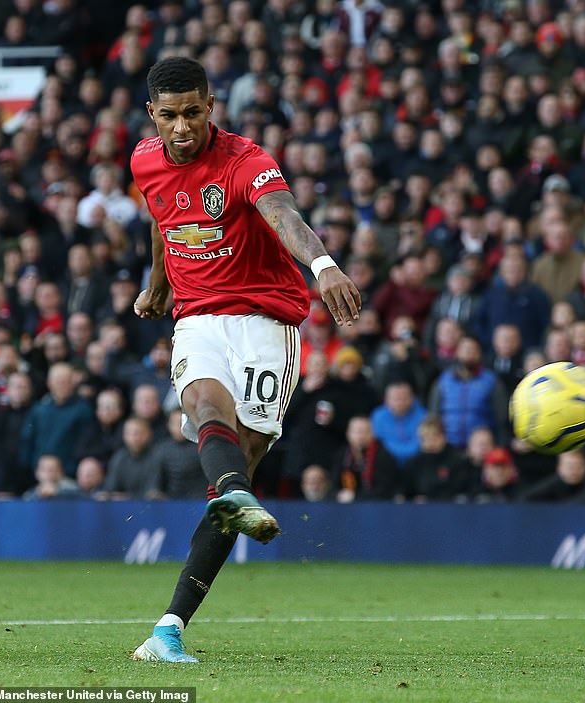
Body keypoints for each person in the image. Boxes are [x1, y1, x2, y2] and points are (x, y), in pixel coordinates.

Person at [130, 58, 361, 664]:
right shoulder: (144, 160)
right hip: (198, 316)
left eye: (193, 112)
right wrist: (158, 286)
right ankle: (230, 503)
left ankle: (169, 626)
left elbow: (284, 215)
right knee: (206, 407)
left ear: (211, 106)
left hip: (265, 321)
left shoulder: (245, 161)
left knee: (244, 454)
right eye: (169, 116)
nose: (183, 127)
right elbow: (162, 219)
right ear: (152, 114)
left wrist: (323, 266)